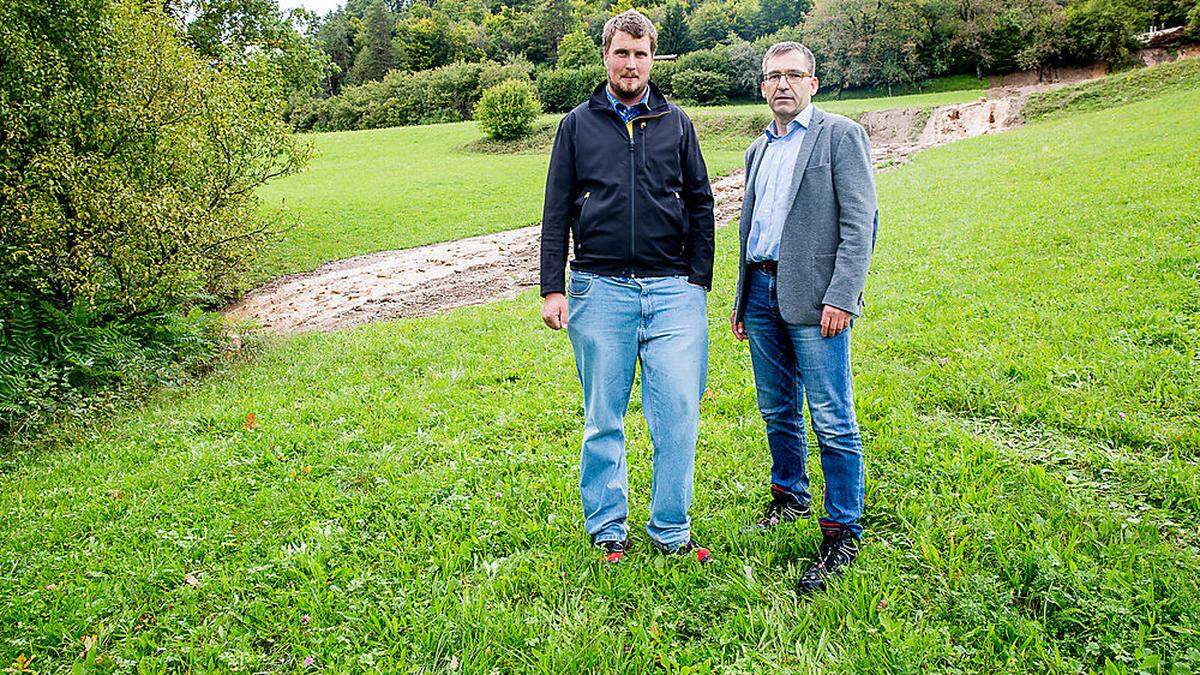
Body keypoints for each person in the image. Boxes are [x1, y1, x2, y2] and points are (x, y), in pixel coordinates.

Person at [539, 9, 715, 564]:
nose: (631, 63)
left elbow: (702, 202)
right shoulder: (576, 124)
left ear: (652, 58)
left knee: (679, 414)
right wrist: (553, 287)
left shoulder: (677, 122)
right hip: (599, 290)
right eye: (622, 52)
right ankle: (608, 528)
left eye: (641, 54)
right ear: (606, 56)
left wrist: (698, 280)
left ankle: (671, 530)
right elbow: (555, 210)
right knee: (603, 418)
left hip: (673, 293)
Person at [729, 41, 878, 593]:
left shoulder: (840, 136)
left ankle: (843, 528)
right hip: (762, 292)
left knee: (832, 416)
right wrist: (743, 298)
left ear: (814, 83)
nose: (783, 84)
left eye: (794, 75)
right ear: (763, 86)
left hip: (817, 301)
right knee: (776, 409)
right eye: (774, 76)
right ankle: (788, 496)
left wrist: (843, 295)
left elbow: (860, 223)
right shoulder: (757, 149)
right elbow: (752, 231)